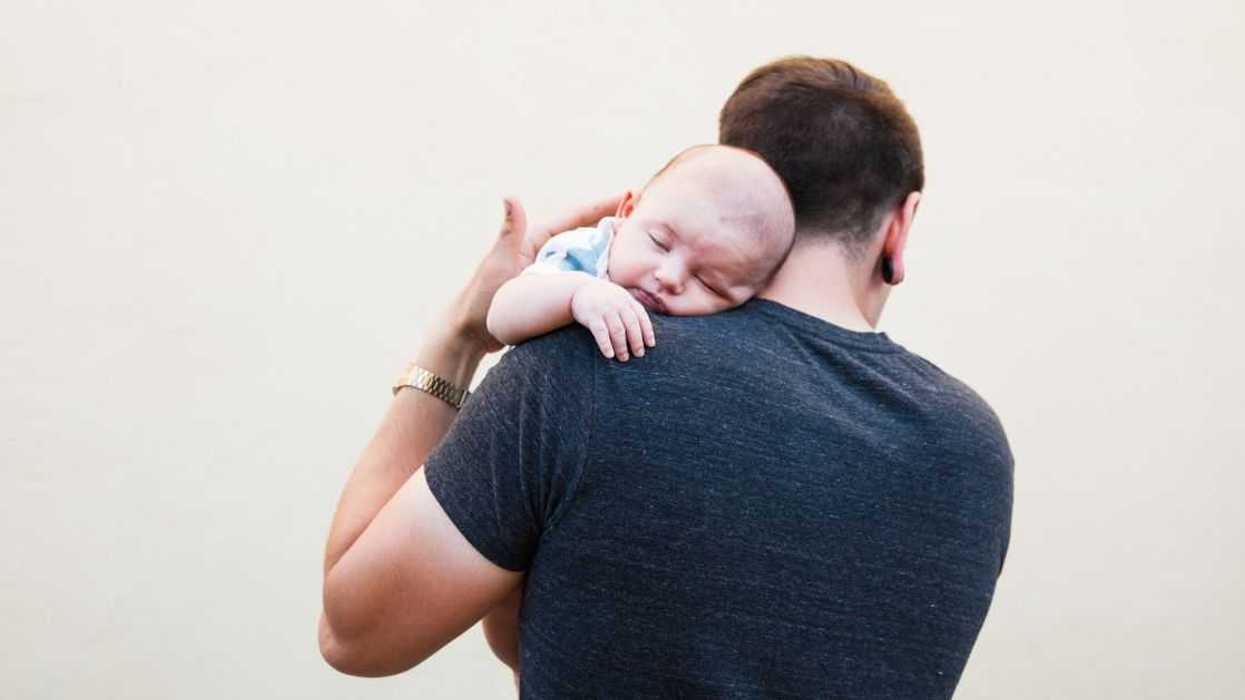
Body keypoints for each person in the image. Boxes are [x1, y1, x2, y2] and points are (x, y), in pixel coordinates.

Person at [319, 56, 1014, 699]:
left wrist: (461, 336)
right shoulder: (970, 448)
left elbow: (355, 634)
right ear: (900, 226)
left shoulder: (589, 363)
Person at [487, 144, 795, 361]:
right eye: (660, 242)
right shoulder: (585, 255)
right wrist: (577, 295)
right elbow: (500, 318)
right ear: (628, 212)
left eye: (708, 282)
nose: (670, 277)